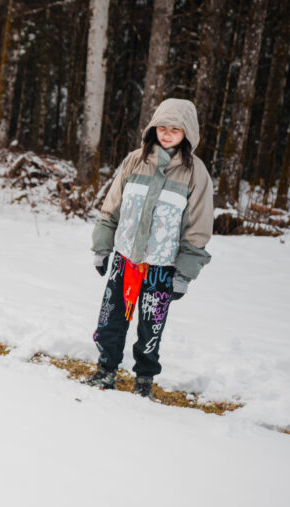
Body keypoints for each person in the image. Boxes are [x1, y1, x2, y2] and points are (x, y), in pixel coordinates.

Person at [87, 98, 213, 398]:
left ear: (188, 133)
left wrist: (184, 273)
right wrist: (102, 246)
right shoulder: (135, 160)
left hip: (162, 266)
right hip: (126, 259)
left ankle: (144, 381)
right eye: (162, 127)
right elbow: (112, 206)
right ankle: (106, 371)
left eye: (175, 129)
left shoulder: (195, 172)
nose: (167, 134)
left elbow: (198, 225)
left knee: (150, 328)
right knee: (110, 319)